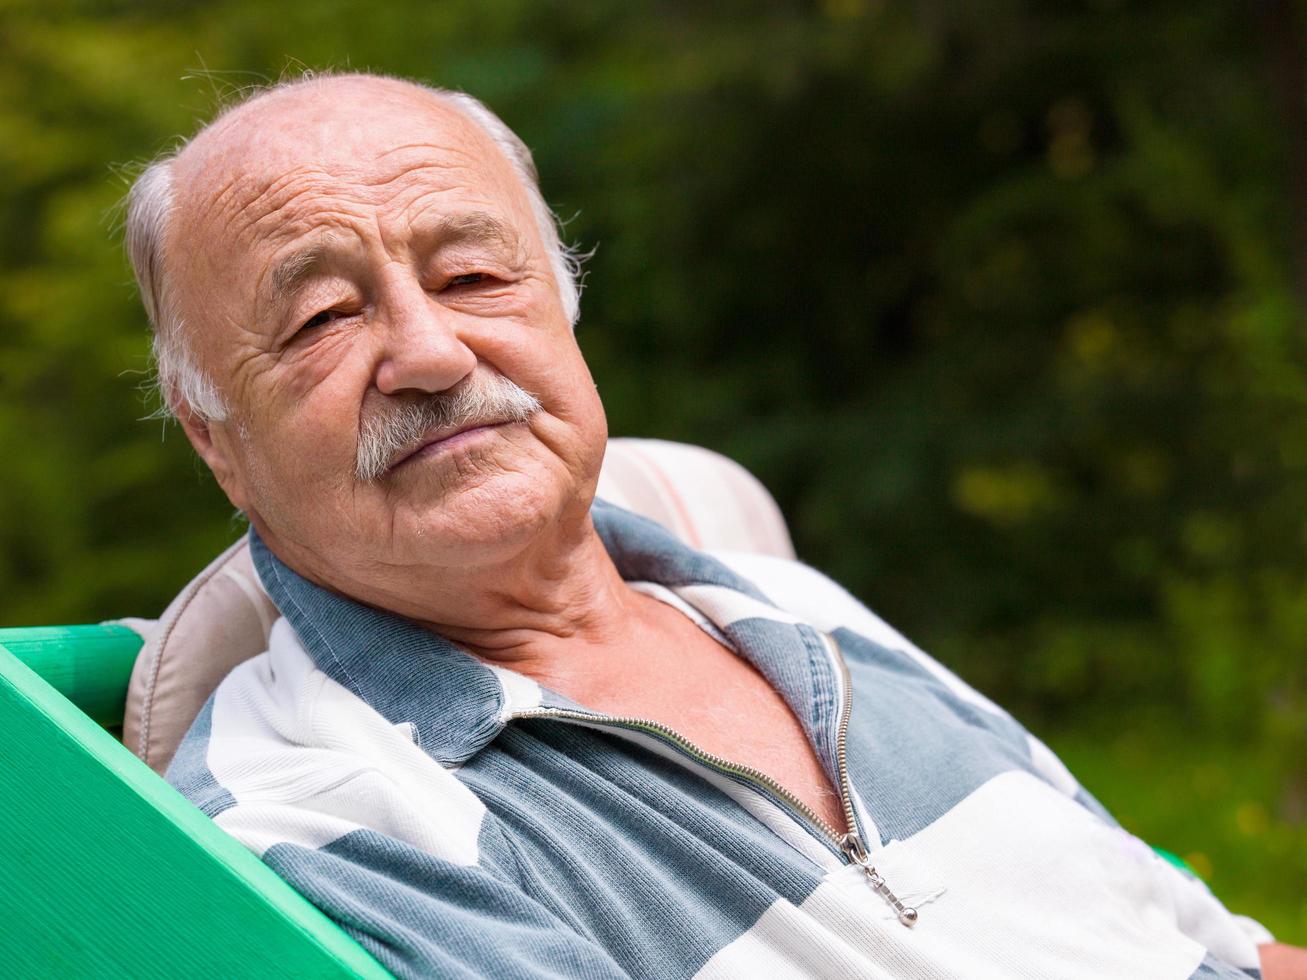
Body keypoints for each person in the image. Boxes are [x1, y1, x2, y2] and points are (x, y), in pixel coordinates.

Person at [125, 71, 1306, 979]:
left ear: (567, 312)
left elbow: (1197, 933)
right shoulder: (320, 815)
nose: (432, 353)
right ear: (218, 438)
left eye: (477, 279)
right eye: (324, 314)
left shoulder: (777, 600)